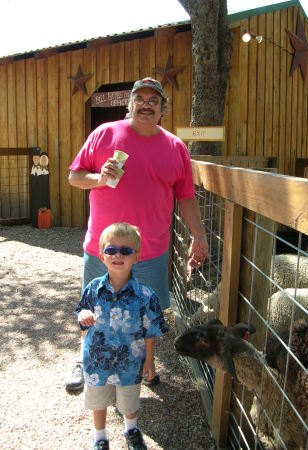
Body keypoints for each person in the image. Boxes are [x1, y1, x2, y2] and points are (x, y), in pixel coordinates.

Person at [66, 76, 209, 392]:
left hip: (151, 250)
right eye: (140, 99)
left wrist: (199, 236)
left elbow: (185, 196)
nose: (146, 104)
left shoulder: (175, 147)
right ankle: (85, 360)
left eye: (153, 100)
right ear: (129, 105)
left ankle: (147, 365)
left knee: (147, 313)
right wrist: (99, 178)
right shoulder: (105, 134)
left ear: (163, 108)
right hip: (102, 247)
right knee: (95, 307)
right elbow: (75, 177)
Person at [76, 222, 168, 450]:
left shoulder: (146, 295)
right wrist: (84, 315)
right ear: (101, 255)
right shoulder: (92, 289)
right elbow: (81, 311)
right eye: (111, 250)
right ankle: (99, 436)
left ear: (136, 256)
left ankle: (131, 429)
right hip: (97, 361)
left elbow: (150, 331)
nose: (118, 255)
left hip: (130, 363)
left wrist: (149, 359)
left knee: (129, 400)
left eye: (125, 251)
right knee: (98, 400)